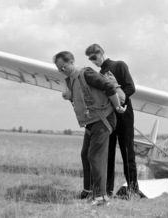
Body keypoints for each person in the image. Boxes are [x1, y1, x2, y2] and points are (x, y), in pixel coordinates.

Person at [52, 51, 126, 206]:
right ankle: (89, 190)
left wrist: (118, 106)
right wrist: (69, 95)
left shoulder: (86, 73)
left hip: (103, 118)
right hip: (92, 120)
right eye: (59, 69)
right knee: (86, 154)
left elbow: (108, 87)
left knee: (95, 156)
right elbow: (84, 97)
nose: (62, 71)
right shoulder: (72, 80)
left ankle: (101, 197)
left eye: (63, 67)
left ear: (71, 61)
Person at [85, 44, 139, 198]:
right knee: (107, 155)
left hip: (124, 117)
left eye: (93, 57)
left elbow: (131, 88)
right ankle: (107, 190)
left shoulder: (119, 65)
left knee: (127, 153)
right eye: (90, 59)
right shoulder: (99, 73)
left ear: (101, 53)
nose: (92, 61)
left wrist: (118, 100)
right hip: (109, 118)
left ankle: (133, 190)